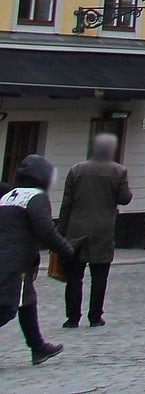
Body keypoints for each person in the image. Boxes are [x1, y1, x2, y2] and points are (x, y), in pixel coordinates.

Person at [0, 155, 77, 365]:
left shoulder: (8, 196)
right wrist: (65, 248)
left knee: (27, 302)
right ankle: (38, 347)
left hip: (9, 259)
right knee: (6, 307)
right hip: (16, 263)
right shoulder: (36, 197)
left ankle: (38, 347)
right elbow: (45, 229)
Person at [59, 133, 131, 328]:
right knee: (99, 277)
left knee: (74, 277)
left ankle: (72, 318)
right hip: (103, 230)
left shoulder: (76, 170)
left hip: (77, 229)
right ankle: (95, 316)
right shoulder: (119, 171)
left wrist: (61, 232)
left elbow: (66, 204)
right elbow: (125, 198)